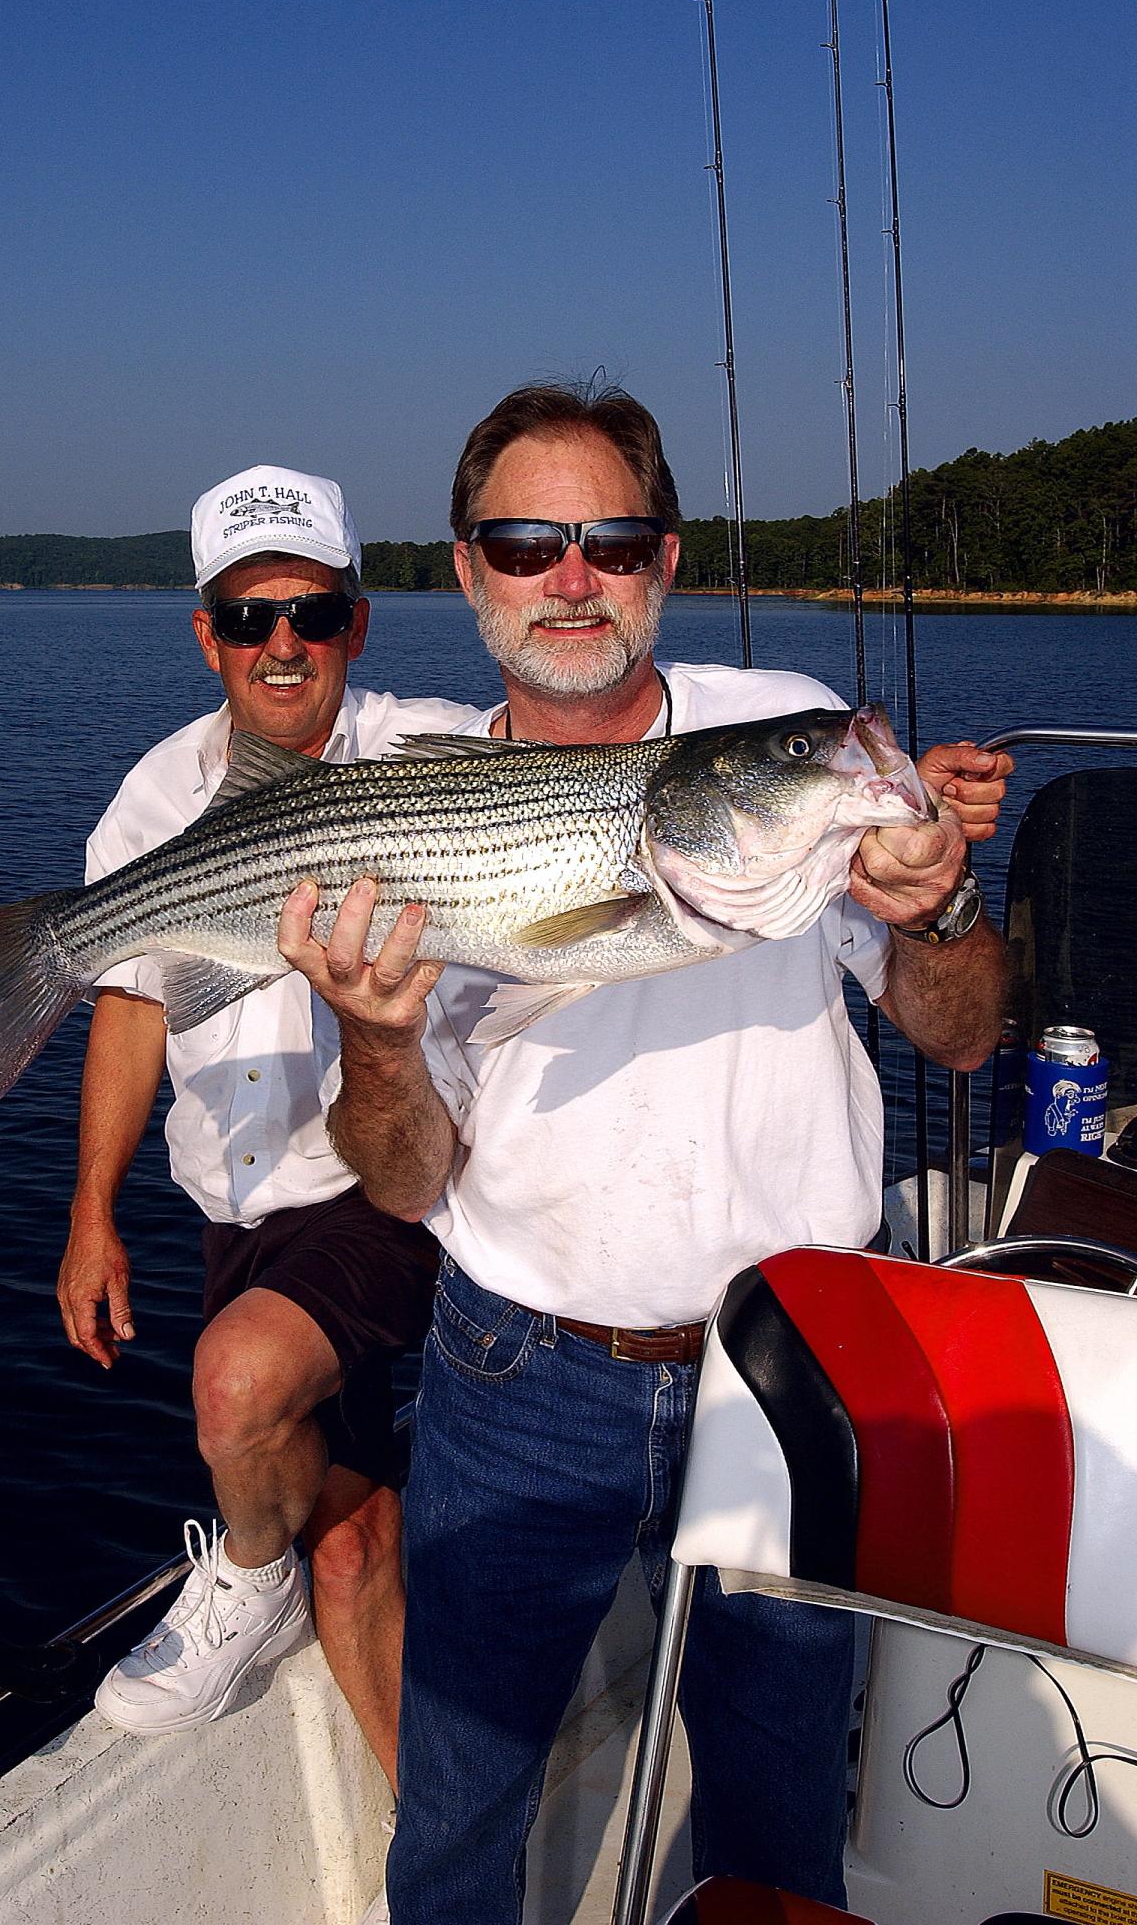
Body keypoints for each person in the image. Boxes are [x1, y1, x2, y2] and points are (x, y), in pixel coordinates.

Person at [277, 384, 1012, 1920]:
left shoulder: (789, 739)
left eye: (608, 540)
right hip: (515, 1377)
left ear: (663, 563)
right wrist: (380, 1037)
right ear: (468, 574)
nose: (571, 576)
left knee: (776, 1791)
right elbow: (405, 1182)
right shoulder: (410, 800)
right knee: (463, 1809)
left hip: (797, 1359)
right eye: (526, 542)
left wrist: (937, 904)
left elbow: (959, 1034)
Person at [59, 465, 473, 1789]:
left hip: (377, 1183)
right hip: (226, 1206)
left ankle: (244, 1569)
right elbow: (131, 1010)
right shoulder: (152, 795)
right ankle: (435, 1843)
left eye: (311, 612)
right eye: (248, 619)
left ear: (358, 621)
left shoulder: (437, 748)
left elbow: (586, 778)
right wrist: (92, 1216)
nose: (281, 645)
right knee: (348, 1534)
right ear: (206, 634)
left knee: (237, 1387)